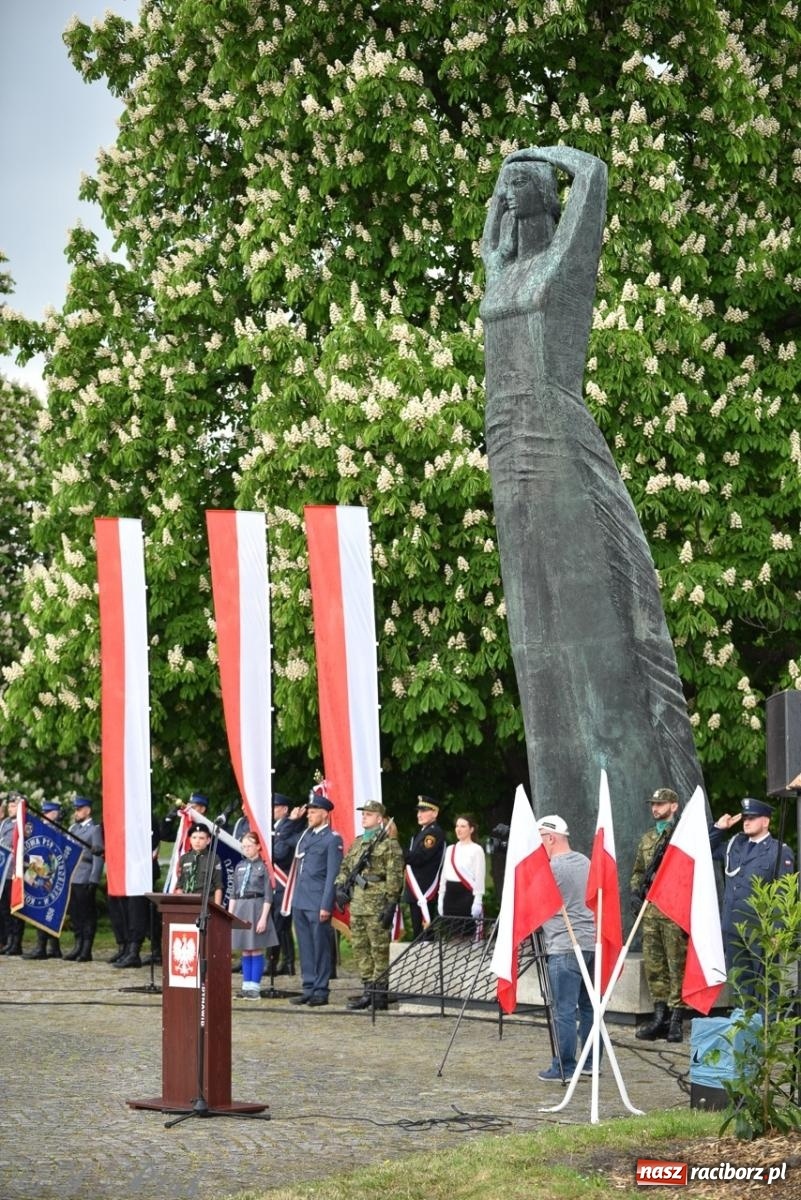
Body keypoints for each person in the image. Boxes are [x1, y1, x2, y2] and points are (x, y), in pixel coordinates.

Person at [480, 147, 705, 887]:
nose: (508, 199)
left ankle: (638, 810)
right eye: (503, 192)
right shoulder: (498, 267)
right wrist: (508, 179)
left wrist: (543, 155)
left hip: (554, 435)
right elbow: (490, 234)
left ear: (546, 197)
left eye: (520, 189)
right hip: (503, 439)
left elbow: (595, 182)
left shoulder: (562, 269)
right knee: (533, 645)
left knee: (590, 631)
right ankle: (564, 843)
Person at [710, 797, 795, 1000]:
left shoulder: (778, 851)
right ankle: (745, 1025)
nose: (746, 822)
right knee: (740, 984)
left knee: (767, 984)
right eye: (745, 818)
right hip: (733, 928)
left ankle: (767, 1028)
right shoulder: (735, 845)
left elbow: (783, 894)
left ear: (765, 822)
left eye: (753, 818)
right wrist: (719, 828)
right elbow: (706, 848)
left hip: (760, 929)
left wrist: (777, 932)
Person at [535, 815, 597, 1083]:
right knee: (589, 1008)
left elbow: (537, 906)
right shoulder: (585, 861)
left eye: (540, 839)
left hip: (563, 945)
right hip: (590, 942)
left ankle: (565, 1065)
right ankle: (591, 1063)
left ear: (551, 838)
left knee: (564, 1010)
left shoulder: (551, 869)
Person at [629, 788, 688, 1043]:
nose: (655, 808)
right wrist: (635, 890)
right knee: (654, 966)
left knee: (677, 966)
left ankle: (676, 1019)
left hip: (674, 911)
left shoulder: (683, 838)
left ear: (673, 806)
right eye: (653, 804)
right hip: (651, 912)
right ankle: (659, 1015)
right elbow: (638, 871)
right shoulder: (647, 839)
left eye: (661, 804)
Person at [335, 800, 405, 1011]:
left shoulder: (389, 844)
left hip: (377, 903)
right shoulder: (358, 843)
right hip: (357, 903)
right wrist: (339, 886)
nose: (364, 816)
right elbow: (346, 866)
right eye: (363, 813)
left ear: (379, 819)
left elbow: (395, 875)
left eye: (369, 814)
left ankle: (380, 994)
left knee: (379, 949)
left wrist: (391, 903)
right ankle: (368, 990)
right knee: (360, 948)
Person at [285, 789, 343, 1007]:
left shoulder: (332, 839)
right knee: (306, 946)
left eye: (313, 811)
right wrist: (292, 820)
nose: (308, 814)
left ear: (325, 814)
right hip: (300, 899)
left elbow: (332, 875)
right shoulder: (305, 836)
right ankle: (308, 986)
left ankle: (321, 989)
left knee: (320, 946)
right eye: (308, 811)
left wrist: (326, 904)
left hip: (318, 901)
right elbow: (283, 838)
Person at [228, 830, 278, 998]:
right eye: (244, 846)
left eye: (250, 846)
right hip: (241, 908)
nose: (246, 849)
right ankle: (246, 985)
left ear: (258, 846)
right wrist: (229, 915)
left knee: (255, 948)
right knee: (245, 949)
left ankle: (254, 988)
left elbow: (268, 895)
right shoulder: (239, 866)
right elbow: (234, 893)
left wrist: (263, 918)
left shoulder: (263, 867)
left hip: (256, 908)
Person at [63, 796, 104, 962]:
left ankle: (86, 948)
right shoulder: (73, 828)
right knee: (76, 914)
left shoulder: (94, 830)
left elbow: (98, 856)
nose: (76, 812)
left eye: (79, 809)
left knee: (87, 914)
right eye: (76, 809)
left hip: (85, 875)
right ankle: (78, 944)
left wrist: (94, 879)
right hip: (73, 875)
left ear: (87, 810)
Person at [23, 800, 64, 960]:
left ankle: (51, 947)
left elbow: (56, 855)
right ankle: (45, 947)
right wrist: (31, 876)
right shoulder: (42, 830)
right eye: (44, 812)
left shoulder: (58, 831)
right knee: (40, 909)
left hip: (52, 875)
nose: (45, 816)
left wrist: (45, 875)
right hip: (38, 869)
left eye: (48, 812)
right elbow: (37, 853)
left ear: (56, 813)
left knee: (51, 911)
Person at [271, 793, 306, 975]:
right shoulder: (276, 827)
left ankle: (281, 962)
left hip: (283, 879)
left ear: (285, 809)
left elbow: (280, 853)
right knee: (280, 925)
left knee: (280, 924)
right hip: (274, 879)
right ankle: (286, 962)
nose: (271, 810)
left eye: (275, 807)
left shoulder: (288, 826)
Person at [403, 795, 446, 939]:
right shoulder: (422, 832)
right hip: (417, 890)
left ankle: (426, 962)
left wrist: (397, 850)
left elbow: (419, 858)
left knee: (424, 936)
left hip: (424, 890)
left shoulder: (434, 832)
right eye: (418, 811)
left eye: (423, 810)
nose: (419, 814)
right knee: (419, 935)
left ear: (435, 813)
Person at [437, 813, 486, 934]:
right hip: (450, 894)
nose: (458, 829)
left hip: (466, 895)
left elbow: (480, 876)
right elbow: (444, 875)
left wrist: (478, 900)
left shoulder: (477, 849)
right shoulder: (450, 849)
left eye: (463, 826)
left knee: (466, 934)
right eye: (457, 826)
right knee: (451, 933)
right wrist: (441, 898)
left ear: (471, 829)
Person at [0, 792, 26, 956]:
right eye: (9, 805)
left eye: (14, 805)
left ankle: (16, 942)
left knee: (16, 909)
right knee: (4, 909)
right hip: (3, 873)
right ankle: (9, 940)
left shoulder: (24, 824)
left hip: (15, 873)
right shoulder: (4, 824)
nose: (11, 809)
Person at [174, 823, 223, 904]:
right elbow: (180, 885)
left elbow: (218, 886)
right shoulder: (184, 858)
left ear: (208, 840)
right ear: (190, 840)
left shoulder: (213, 858)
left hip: (206, 902)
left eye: (201, 838)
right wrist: (181, 904)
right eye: (194, 837)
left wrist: (217, 908)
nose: (197, 841)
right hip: (187, 902)